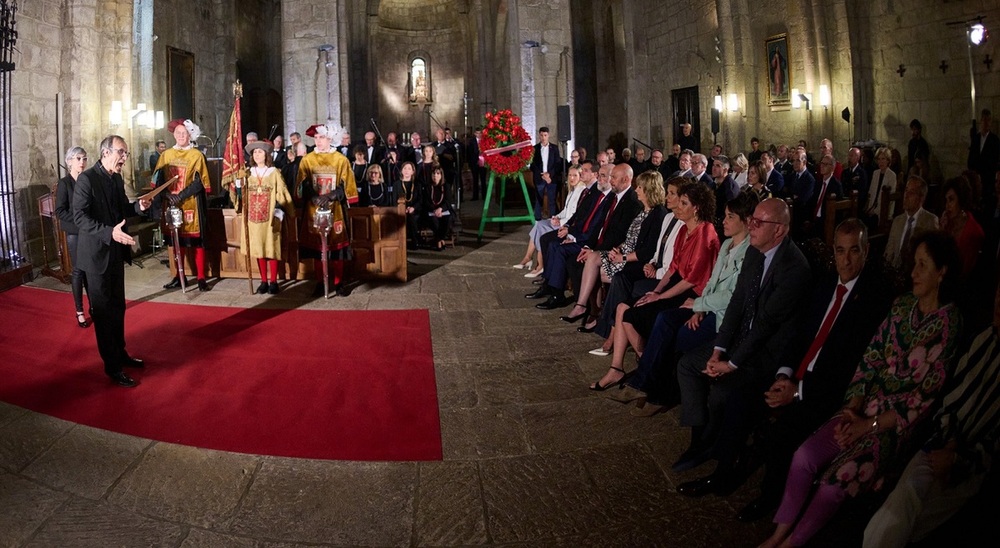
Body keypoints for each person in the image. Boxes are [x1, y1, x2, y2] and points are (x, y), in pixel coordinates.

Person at [759, 230, 964, 548]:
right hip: (862, 407)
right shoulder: (902, 306)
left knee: (833, 483)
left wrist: (866, 425)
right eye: (914, 264)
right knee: (804, 457)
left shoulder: (949, 325)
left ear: (942, 271)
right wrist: (853, 407)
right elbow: (870, 358)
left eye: (923, 265)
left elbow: (922, 400)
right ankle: (777, 534)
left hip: (892, 427)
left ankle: (791, 543)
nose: (913, 273)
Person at [724, 220, 892, 522]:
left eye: (855, 251)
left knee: (781, 434)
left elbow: (850, 365)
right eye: (840, 251)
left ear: (866, 252)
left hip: (827, 389)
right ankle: (726, 470)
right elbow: (799, 334)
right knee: (739, 394)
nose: (847, 259)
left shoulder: (873, 299)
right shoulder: (826, 282)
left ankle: (770, 500)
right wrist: (784, 375)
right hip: (796, 375)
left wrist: (797, 391)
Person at [673, 198, 812, 473]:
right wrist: (718, 349)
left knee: (721, 393)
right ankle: (699, 439)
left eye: (759, 223)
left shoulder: (794, 268)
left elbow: (765, 324)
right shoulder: (754, 251)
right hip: (740, 338)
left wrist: (731, 362)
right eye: (752, 220)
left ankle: (716, 447)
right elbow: (737, 303)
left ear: (779, 231)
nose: (752, 226)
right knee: (688, 365)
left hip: (766, 350)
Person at [863, 285, 1000, 548]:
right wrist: (948, 442)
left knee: (909, 524)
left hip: (973, 469)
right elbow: (952, 399)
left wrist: (959, 458)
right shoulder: (984, 338)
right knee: (893, 517)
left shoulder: (950, 322)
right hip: (941, 443)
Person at [604, 191, 756, 411]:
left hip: (722, 315)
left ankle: (649, 383)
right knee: (644, 314)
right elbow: (709, 280)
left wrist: (697, 304)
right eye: (725, 215)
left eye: (730, 217)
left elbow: (727, 293)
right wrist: (695, 305)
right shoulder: (727, 245)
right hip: (703, 303)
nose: (724, 221)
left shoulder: (743, 249)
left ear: (746, 221)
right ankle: (649, 382)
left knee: (665, 322)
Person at [589, 180, 719, 389]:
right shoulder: (685, 230)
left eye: (683, 203)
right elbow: (673, 268)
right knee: (623, 308)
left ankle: (650, 367)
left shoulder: (706, 231)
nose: (677, 206)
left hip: (692, 292)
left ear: (697, 208)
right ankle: (621, 368)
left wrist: (660, 296)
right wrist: (656, 290)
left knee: (632, 314)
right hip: (674, 286)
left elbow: (693, 279)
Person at [72, 135, 152, 387]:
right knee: (104, 312)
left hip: (115, 254)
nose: (124, 158)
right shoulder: (87, 179)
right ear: (106, 152)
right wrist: (109, 232)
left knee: (118, 307)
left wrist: (139, 207)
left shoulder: (115, 178)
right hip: (96, 257)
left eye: (126, 153)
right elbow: (79, 217)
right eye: (121, 152)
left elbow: (121, 210)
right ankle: (112, 367)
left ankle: (121, 354)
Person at [565, 170, 667, 329]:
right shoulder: (643, 210)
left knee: (591, 272)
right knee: (591, 259)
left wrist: (622, 257)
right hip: (624, 252)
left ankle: (594, 313)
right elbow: (629, 238)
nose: (636, 190)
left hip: (634, 260)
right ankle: (585, 307)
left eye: (639, 187)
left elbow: (648, 250)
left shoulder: (658, 213)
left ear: (649, 189)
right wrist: (617, 250)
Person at [295, 121, 358, 297]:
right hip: (313, 209)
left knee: (337, 248)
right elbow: (302, 183)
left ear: (330, 138)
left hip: (335, 208)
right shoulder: (308, 159)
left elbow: (347, 184)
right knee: (317, 249)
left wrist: (331, 196)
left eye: (321, 137)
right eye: (315, 137)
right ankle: (320, 282)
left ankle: (339, 283)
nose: (318, 140)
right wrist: (314, 196)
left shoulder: (341, 160)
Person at [154, 119, 213, 291]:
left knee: (195, 242)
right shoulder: (166, 156)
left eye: (184, 133)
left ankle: (201, 278)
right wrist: (168, 195)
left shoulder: (196, 155)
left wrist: (179, 196)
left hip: (191, 204)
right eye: (178, 133)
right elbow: (158, 181)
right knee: (175, 241)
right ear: (174, 135)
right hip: (171, 205)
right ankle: (179, 276)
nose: (181, 136)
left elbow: (199, 183)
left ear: (190, 135)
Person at [514, 163, 587, 273]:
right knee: (538, 224)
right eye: (570, 175)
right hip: (562, 221)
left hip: (567, 226)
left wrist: (560, 221)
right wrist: (556, 217)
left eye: (575, 175)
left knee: (541, 230)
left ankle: (538, 265)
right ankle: (529, 258)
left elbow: (575, 214)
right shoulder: (572, 190)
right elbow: (565, 210)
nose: (572, 178)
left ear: (580, 176)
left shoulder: (581, 190)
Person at [244, 141, 293, 295]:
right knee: (259, 249)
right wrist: (239, 187)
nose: (257, 155)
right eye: (255, 152)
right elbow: (242, 197)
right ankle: (264, 281)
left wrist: (281, 211)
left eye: (260, 152)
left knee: (271, 248)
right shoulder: (247, 173)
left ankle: (273, 282)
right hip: (253, 219)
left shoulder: (274, 173)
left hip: (270, 216)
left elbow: (282, 192)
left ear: (266, 154)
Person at [54, 146, 91, 328]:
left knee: (91, 271)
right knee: (78, 271)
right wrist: (79, 220)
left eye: (84, 158)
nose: (82, 162)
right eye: (78, 158)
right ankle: (79, 311)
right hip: (75, 233)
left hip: (90, 231)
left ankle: (94, 307)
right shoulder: (65, 183)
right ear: (69, 161)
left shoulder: (87, 180)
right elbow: (60, 211)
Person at [884, 175, 939, 272]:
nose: (906, 195)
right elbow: (889, 252)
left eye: (911, 192)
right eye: (906, 190)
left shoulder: (930, 221)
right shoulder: (897, 221)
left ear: (921, 198)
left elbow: (932, 258)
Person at [940, 176, 985, 276]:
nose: (947, 206)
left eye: (951, 200)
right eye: (946, 200)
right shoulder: (947, 224)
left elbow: (964, 269)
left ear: (961, 199)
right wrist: (941, 231)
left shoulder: (974, 231)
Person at [530, 126, 563, 220]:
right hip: (539, 178)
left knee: (552, 200)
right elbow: (533, 165)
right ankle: (537, 220)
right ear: (539, 136)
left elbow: (557, 163)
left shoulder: (554, 148)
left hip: (551, 178)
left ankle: (552, 219)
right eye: (541, 135)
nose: (543, 137)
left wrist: (549, 175)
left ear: (548, 135)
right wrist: (542, 175)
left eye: (545, 135)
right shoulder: (534, 149)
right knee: (538, 200)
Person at [398, 161, 421, 250]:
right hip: (400, 210)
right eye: (405, 168)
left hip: (414, 210)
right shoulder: (397, 184)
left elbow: (420, 200)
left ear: (413, 172)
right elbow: (394, 200)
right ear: (401, 171)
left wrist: (413, 208)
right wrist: (402, 208)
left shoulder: (417, 185)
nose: (407, 171)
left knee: (411, 217)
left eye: (409, 169)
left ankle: (414, 241)